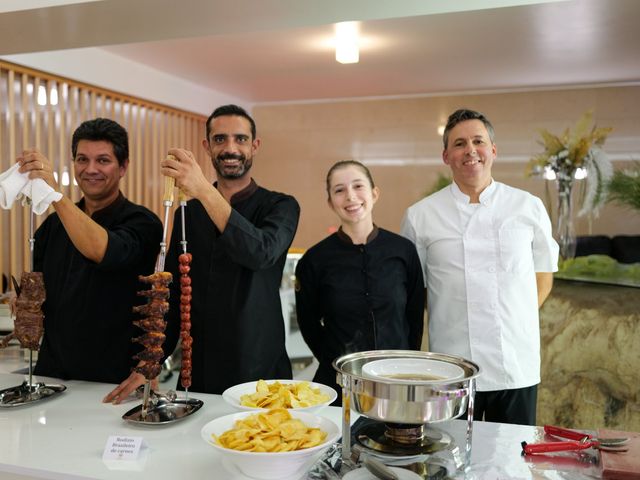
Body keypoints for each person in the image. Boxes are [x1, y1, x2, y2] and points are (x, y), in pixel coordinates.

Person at [105, 104, 300, 401]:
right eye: (220, 139)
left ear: (255, 146)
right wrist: (150, 363)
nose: (230, 148)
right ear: (207, 147)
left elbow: (260, 252)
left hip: (260, 367)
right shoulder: (188, 212)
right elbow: (172, 294)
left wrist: (202, 190)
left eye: (241, 139)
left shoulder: (281, 206)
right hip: (201, 370)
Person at [401, 109, 559, 426]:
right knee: (449, 460)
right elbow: (417, 289)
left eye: (478, 141)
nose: (470, 150)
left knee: (511, 460)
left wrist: (514, 316)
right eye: (459, 144)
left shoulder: (527, 207)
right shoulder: (421, 216)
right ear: (446, 156)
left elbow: (543, 274)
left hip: (515, 361)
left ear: (493, 150)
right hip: (451, 367)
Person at [16, 118, 163, 384]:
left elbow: (103, 251)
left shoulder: (143, 223)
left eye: (103, 160)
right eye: (82, 159)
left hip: (113, 380)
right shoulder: (52, 226)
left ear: (123, 167)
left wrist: (54, 195)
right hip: (52, 374)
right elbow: (37, 290)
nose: (91, 169)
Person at [295, 160, 425, 403]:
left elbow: (414, 315)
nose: (350, 197)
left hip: (396, 382)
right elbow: (308, 324)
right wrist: (335, 361)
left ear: (374, 193)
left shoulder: (403, 251)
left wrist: (406, 362)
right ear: (330, 202)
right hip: (338, 384)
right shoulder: (314, 260)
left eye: (358, 186)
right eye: (339, 190)